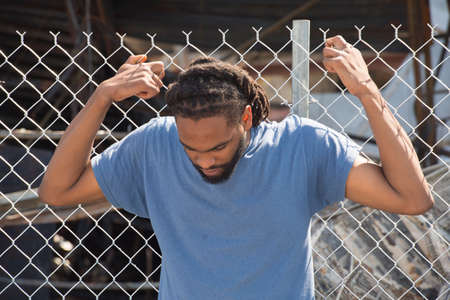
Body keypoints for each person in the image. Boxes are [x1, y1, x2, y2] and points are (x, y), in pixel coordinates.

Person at [38, 35, 433, 299]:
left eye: (217, 147)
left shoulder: (302, 146)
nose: (204, 160)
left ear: (246, 119)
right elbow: (57, 191)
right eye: (189, 148)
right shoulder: (154, 144)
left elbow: (412, 197)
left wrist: (365, 90)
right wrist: (103, 95)